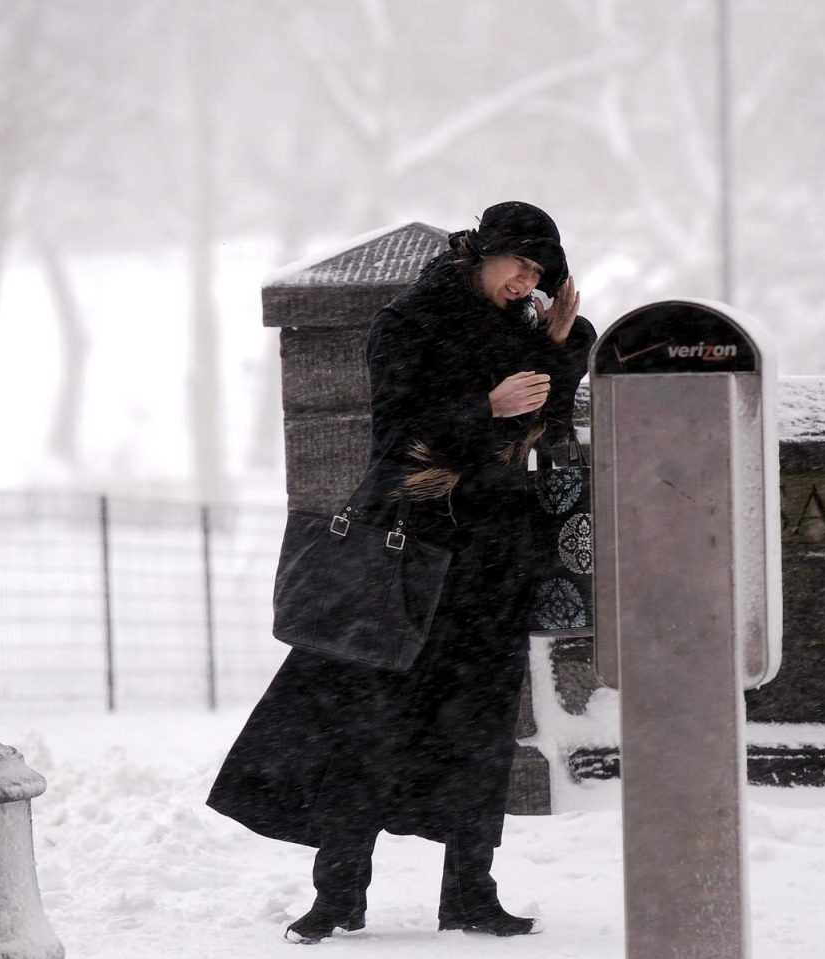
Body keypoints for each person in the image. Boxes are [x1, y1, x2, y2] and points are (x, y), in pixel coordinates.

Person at [207, 201, 596, 944]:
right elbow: (395, 436)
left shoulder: (524, 329)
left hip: (492, 565)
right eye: (520, 263)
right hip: (411, 560)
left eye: (541, 272)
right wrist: (485, 407)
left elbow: (544, 426)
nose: (527, 279)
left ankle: (471, 894)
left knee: (480, 732)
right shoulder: (408, 322)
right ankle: (338, 894)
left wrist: (556, 343)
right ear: (485, 253)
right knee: (368, 725)